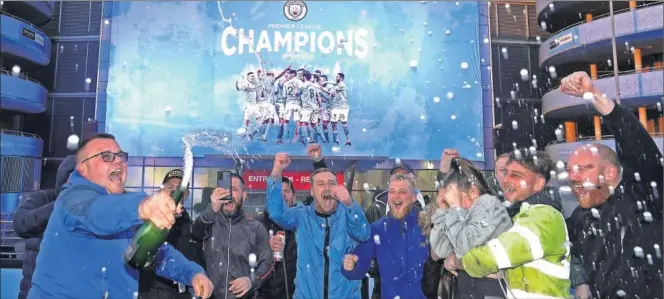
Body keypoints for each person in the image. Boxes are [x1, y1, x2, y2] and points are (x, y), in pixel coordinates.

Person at [28, 133, 213, 299]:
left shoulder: (126, 213)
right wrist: (143, 205)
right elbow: (97, 213)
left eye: (121, 156)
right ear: (82, 168)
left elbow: (156, 253)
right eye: (106, 156)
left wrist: (192, 274)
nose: (118, 161)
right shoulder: (72, 198)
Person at [560, 71, 663, 299]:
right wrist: (580, 282)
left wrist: (594, 95)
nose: (573, 177)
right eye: (570, 170)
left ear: (610, 172)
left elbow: (638, 146)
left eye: (584, 168)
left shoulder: (644, 197)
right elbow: (561, 247)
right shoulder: (579, 218)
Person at [451, 151, 571, 298]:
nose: (506, 179)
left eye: (516, 175)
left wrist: (457, 262)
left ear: (538, 183)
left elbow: (491, 257)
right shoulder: (520, 215)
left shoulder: (544, 216)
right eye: (505, 173)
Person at [266, 152, 370, 299]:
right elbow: (276, 213)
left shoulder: (348, 213)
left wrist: (349, 204)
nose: (327, 188)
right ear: (312, 192)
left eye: (331, 183)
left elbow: (363, 234)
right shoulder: (301, 215)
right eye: (320, 184)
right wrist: (276, 172)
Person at [429, 154, 512, 298]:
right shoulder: (458, 215)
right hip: (468, 289)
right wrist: (442, 211)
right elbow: (441, 250)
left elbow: (465, 247)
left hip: (491, 291)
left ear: (473, 192)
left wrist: (455, 207)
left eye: (455, 196)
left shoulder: (489, 205)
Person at [341, 173, 430, 299]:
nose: (396, 196)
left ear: (414, 197)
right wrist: (351, 266)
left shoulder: (427, 227)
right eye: (392, 191)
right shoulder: (378, 229)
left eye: (402, 191)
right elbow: (360, 262)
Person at [191, 173, 273, 299]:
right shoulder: (208, 222)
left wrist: (251, 280)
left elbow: (268, 264)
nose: (228, 194)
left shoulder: (256, 228)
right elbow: (195, 233)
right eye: (225, 189)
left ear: (244, 195)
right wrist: (212, 209)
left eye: (234, 189)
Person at [363, 162, 431, 299]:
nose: (400, 179)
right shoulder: (375, 210)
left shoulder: (427, 213)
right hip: (383, 289)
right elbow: (365, 245)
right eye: (396, 176)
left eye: (404, 176)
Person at [13, 155, 76, 299]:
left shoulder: (95, 205)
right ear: (63, 179)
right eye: (74, 176)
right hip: (36, 289)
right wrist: (61, 206)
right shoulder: (43, 198)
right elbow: (21, 224)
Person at [139, 169, 206, 299]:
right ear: (161, 191)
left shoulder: (193, 228)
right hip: (150, 292)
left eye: (180, 188)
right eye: (170, 187)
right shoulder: (146, 221)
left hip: (182, 293)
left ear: (186, 194)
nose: (175, 191)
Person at [261, 177, 298, 299]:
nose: (282, 195)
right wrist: (266, 248)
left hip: (298, 293)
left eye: (287, 191)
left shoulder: (303, 223)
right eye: (278, 192)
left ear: (294, 197)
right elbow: (245, 258)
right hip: (267, 294)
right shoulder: (258, 225)